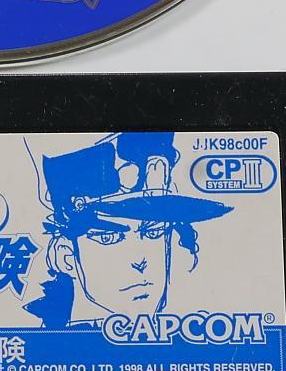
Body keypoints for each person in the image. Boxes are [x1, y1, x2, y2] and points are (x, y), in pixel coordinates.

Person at [25, 132, 232, 328]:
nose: (140, 261)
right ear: (66, 257)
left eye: (154, 233)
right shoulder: (49, 349)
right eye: (109, 237)